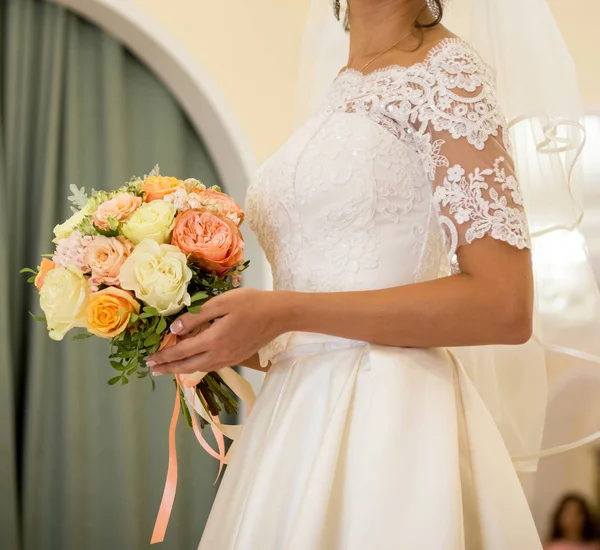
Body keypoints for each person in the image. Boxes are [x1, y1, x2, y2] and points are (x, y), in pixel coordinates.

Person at [146, 0, 591, 548]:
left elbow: (504, 305)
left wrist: (284, 311)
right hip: (295, 421)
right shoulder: (340, 89)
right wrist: (231, 336)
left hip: (393, 422)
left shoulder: (448, 75)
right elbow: (317, 327)